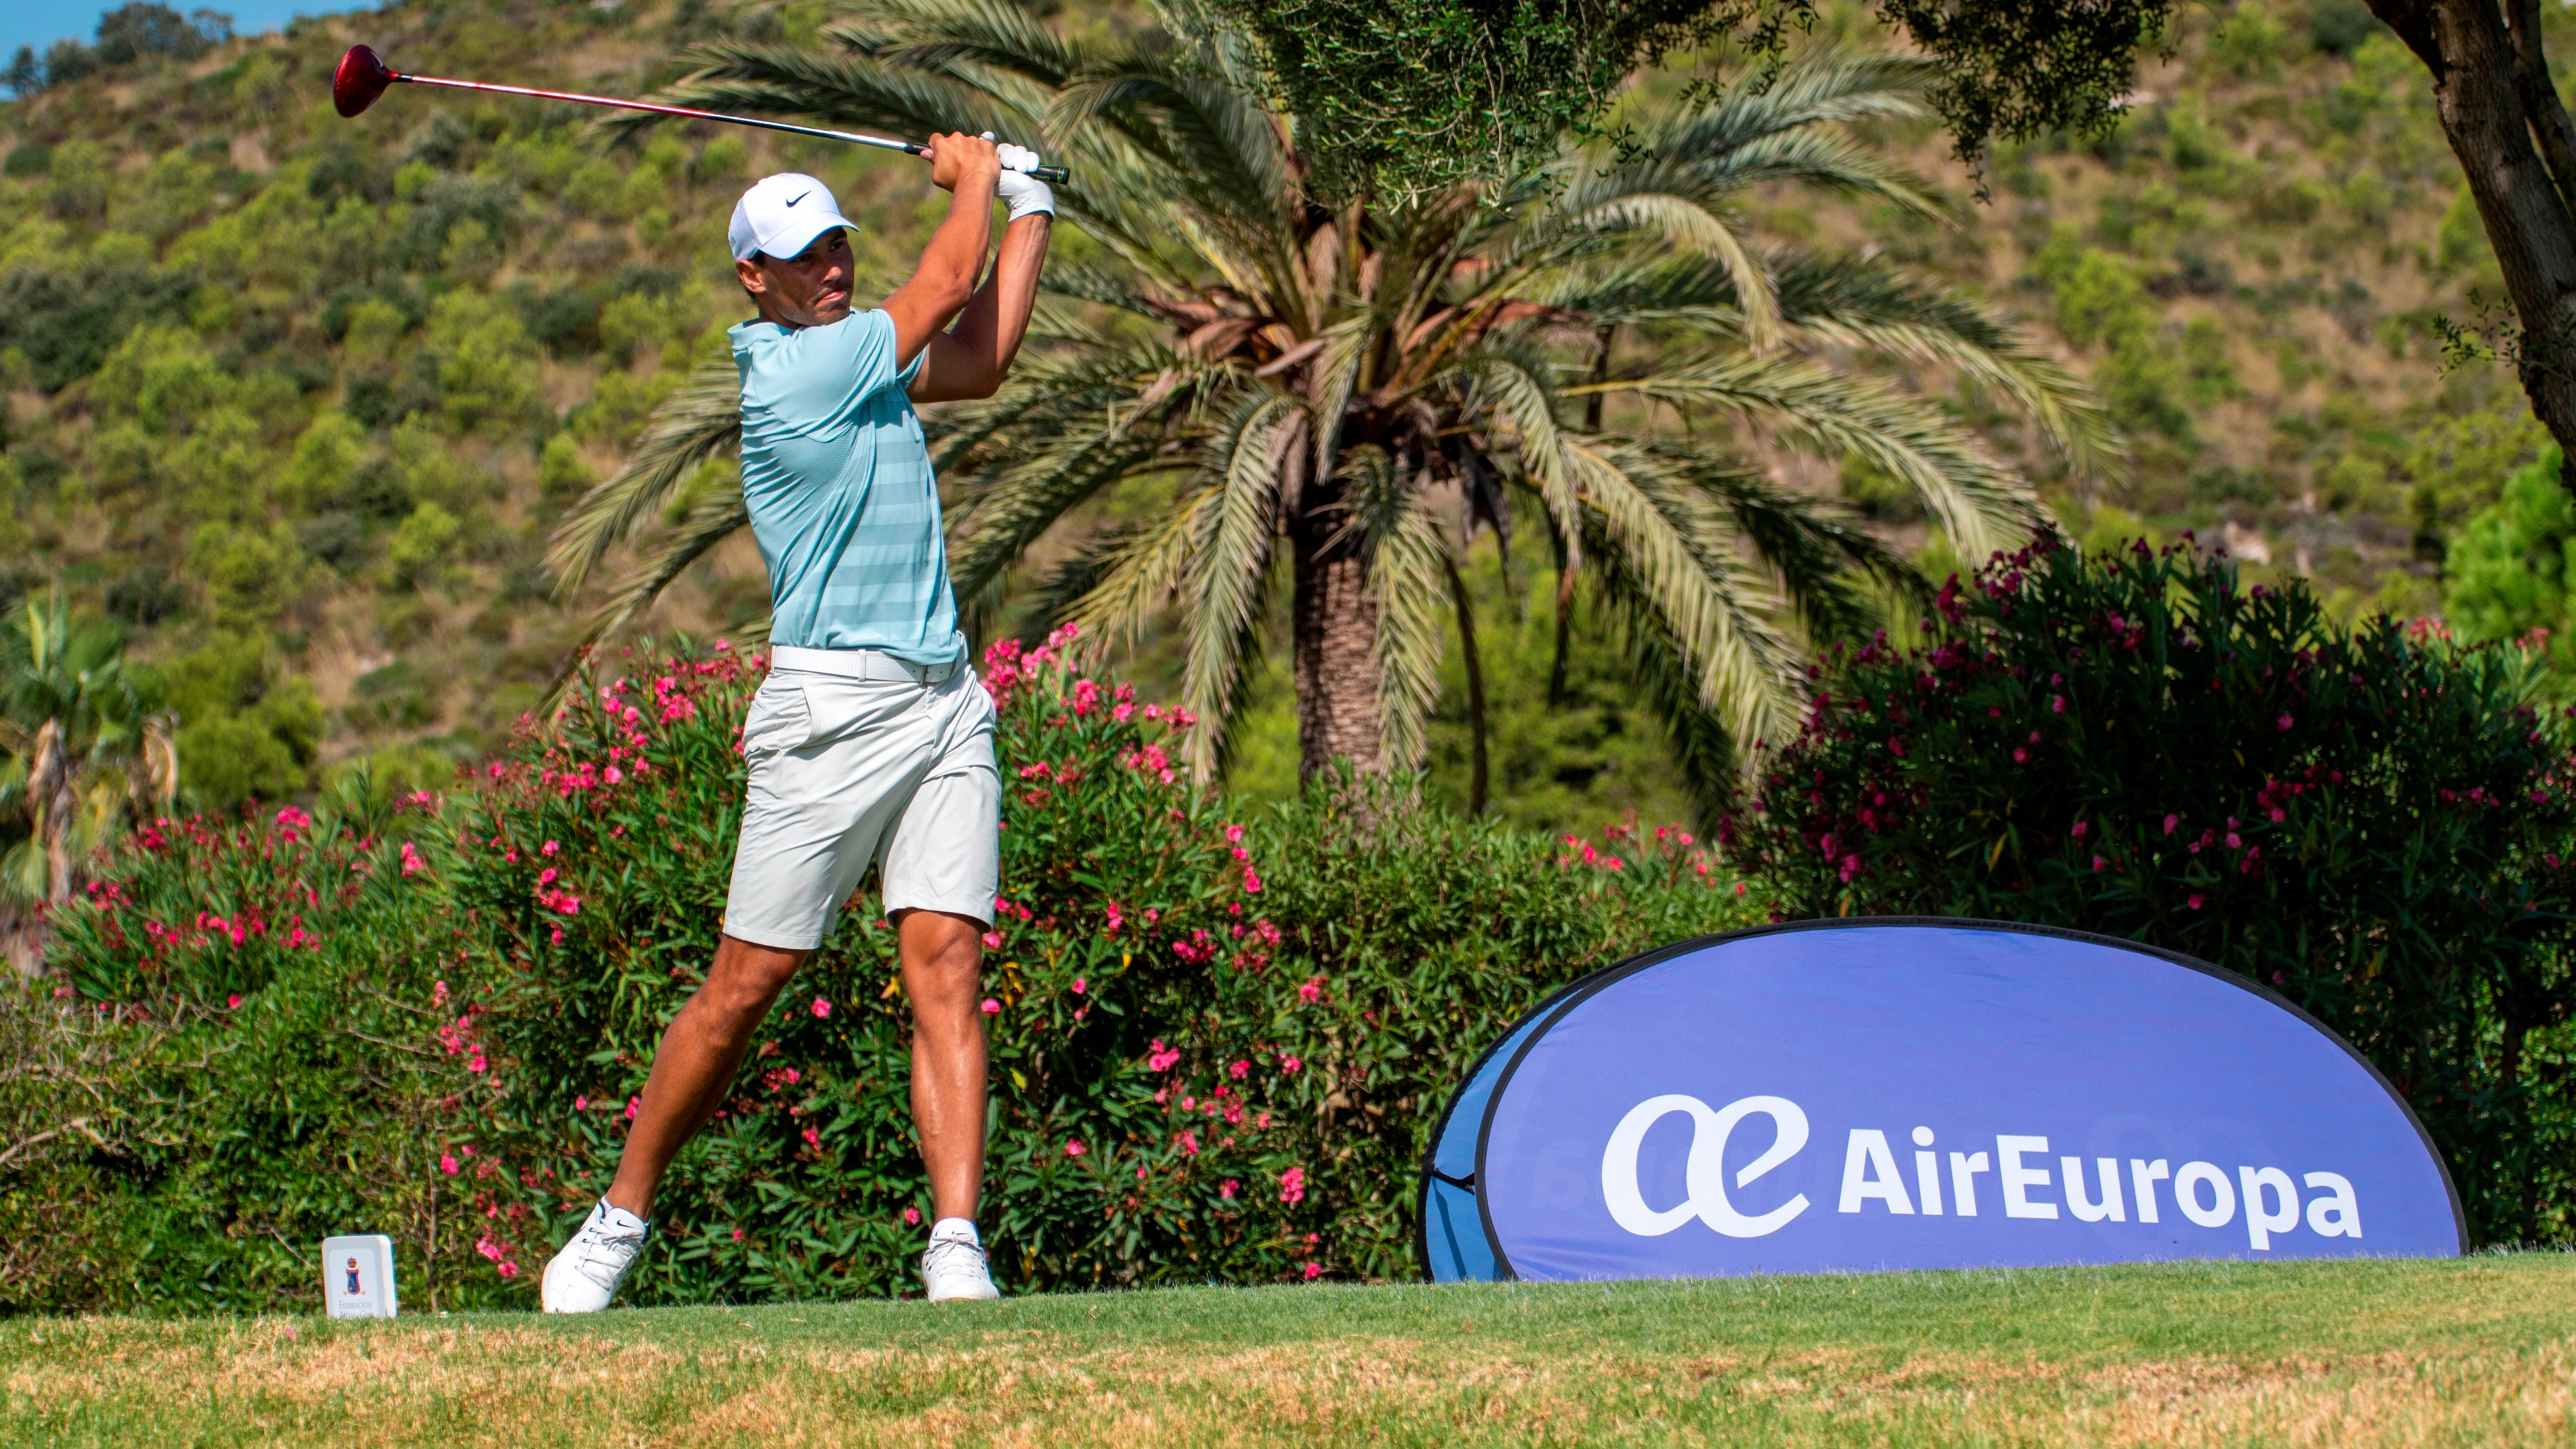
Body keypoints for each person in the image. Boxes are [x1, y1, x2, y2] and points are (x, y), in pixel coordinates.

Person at [540, 132, 1055, 1311]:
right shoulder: (796, 376)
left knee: (950, 965)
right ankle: (620, 1219)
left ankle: (957, 1245)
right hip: (828, 715)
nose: (827, 265)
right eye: (800, 255)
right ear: (753, 280)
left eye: (835, 245)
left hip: (941, 702)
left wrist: (1030, 208)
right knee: (745, 984)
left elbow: (977, 361)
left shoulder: (863, 361)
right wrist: (975, 174)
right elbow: (939, 289)